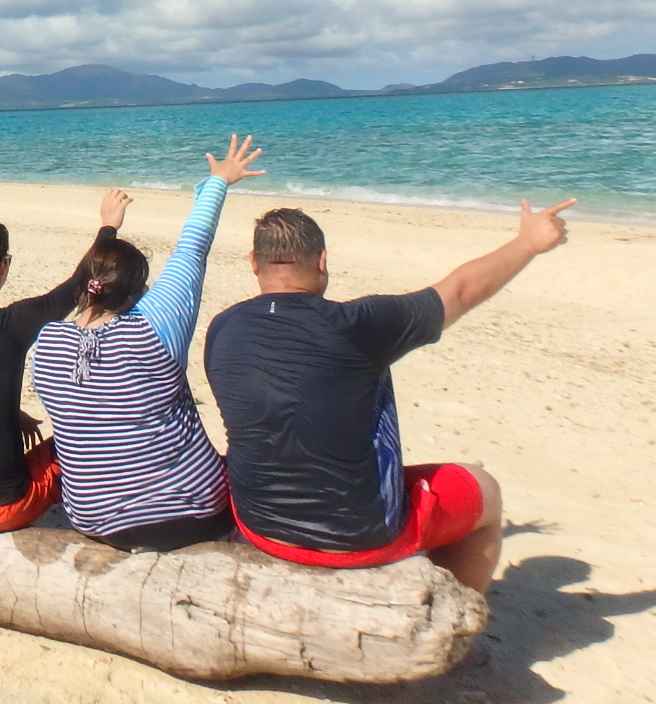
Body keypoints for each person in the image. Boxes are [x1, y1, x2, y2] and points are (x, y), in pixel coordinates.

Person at [204, 196, 576, 591]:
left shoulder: (223, 327)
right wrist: (528, 244)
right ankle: (458, 615)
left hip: (260, 524)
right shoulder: (359, 325)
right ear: (322, 261)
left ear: (253, 262)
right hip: (358, 537)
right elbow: (460, 292)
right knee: (486, 490)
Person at [28, 135, 265, 552]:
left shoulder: (47, 344)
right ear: (138, 295)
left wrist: (107, 228)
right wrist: (218, 182)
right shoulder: (155, 327)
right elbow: (193, 249)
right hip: (190, 511)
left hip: (94, 518)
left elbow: (93, 282)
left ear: (86, 285)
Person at [0, 194, 128, 532]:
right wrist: (108, 227)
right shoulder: (10, 325)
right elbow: (77, 286)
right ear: (0, 267)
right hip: (5, 506)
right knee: (84, 442)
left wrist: (11, 415)